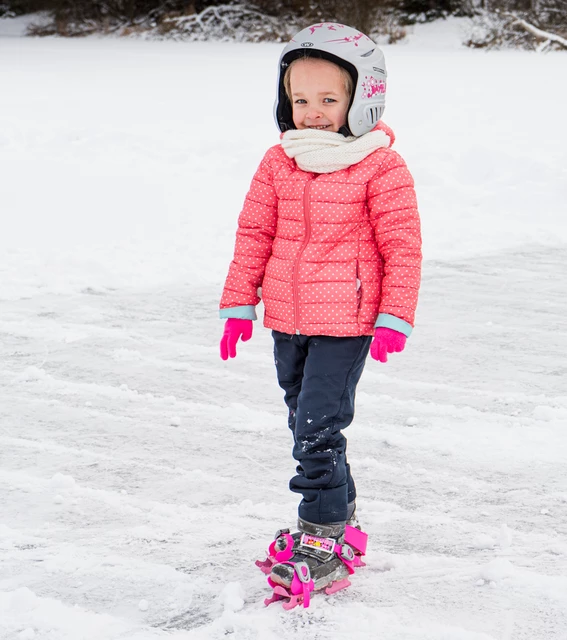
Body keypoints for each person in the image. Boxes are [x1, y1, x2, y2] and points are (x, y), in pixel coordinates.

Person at [219, 22, 422, 604]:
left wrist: (394, 316)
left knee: (316, 430)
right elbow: (254, 233)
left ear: (363, 99)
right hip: (288, 316)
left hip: (349, 321)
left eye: (328, 99)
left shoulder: (380, 165)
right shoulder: (279, 161)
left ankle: (322, 531)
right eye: (299, 99)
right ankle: (340, 509)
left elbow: (402, 247)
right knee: (306, 424)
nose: (311, 112)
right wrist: (239, 302)